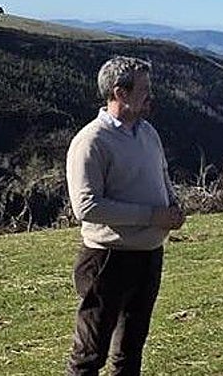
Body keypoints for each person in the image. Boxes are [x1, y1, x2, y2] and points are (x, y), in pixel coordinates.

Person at [64, 55, 186, 376]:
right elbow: (86, 207)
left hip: (148, 255)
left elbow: (162, 174)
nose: (150, 96)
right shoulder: (91, 141)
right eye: (144, 89)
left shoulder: (148, 133)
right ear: (120, 93)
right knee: (90, 355)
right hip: (108, 259)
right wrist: (153, 216)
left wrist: (173, 207)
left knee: (130, 353)